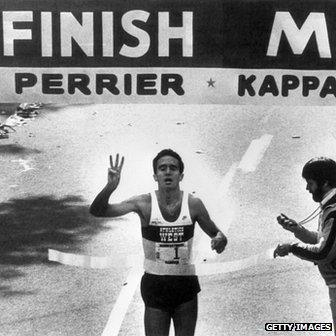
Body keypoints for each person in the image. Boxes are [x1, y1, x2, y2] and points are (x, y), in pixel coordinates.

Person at [90, 149, 228, 336]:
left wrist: (220, 240)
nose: (168, 172)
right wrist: (110, 187)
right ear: (155, 176)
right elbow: (98, 211)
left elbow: (217, 234)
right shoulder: (144, 203)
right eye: (162, 168)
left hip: (185, 286)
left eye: (173, 168)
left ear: (181, 175)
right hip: (155, 286)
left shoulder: (194, 204)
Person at [274, 157, 336, 332]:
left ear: (324, 182)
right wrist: (298, 230)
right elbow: (326, 239)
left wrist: (291, 247)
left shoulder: (333, 211)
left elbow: (323, 252)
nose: (307, 188)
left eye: (310, 183)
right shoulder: (329, 207)